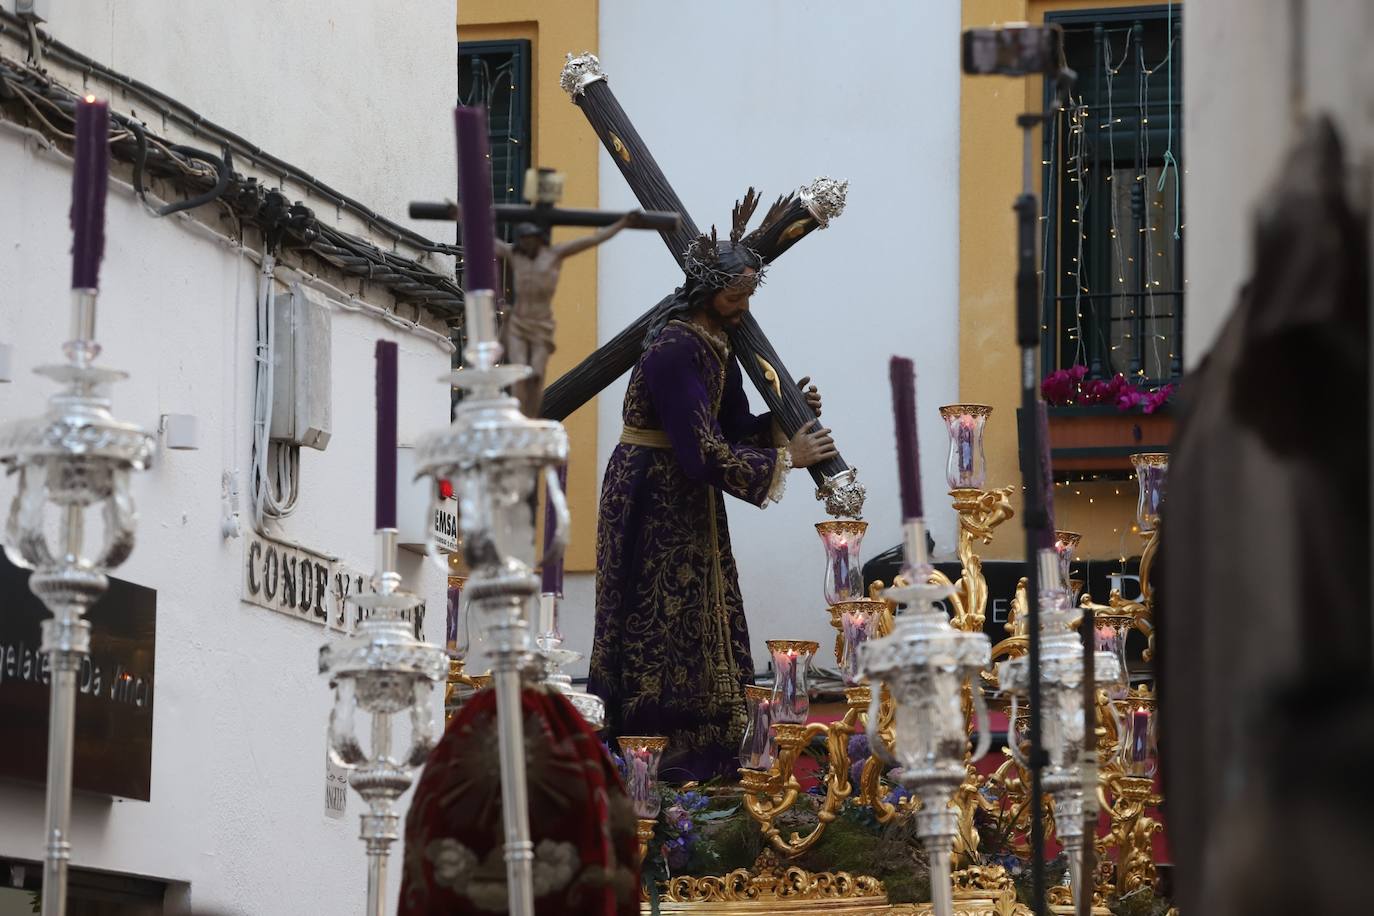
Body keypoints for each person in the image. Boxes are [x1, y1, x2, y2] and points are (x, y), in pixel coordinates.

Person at [588, 193, 837, 781]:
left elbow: (731, 428)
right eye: (734, 297)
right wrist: (788, 457)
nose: (743, 309)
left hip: (685, 493)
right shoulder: (675, 347)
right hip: (650, 496)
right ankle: (657, 752)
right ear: (706, 292)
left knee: (700, 612)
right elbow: (700, 449)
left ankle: (711, 749)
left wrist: (782, 420)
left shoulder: (716, 342)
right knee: (659, 619)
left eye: (749, 296)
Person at [496, 212, 645, 415]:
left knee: (536, 375)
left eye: (529, 239)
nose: (526, 244)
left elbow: (592, 240)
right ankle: (519, 418)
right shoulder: (516, 256)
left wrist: (621, 224)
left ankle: (530, 418)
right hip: (518, 323)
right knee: (519, 374)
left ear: (538, 239)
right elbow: (486, 240)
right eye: (523, 240)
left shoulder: (554, 254)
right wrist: (460, 214)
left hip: (541, 324)